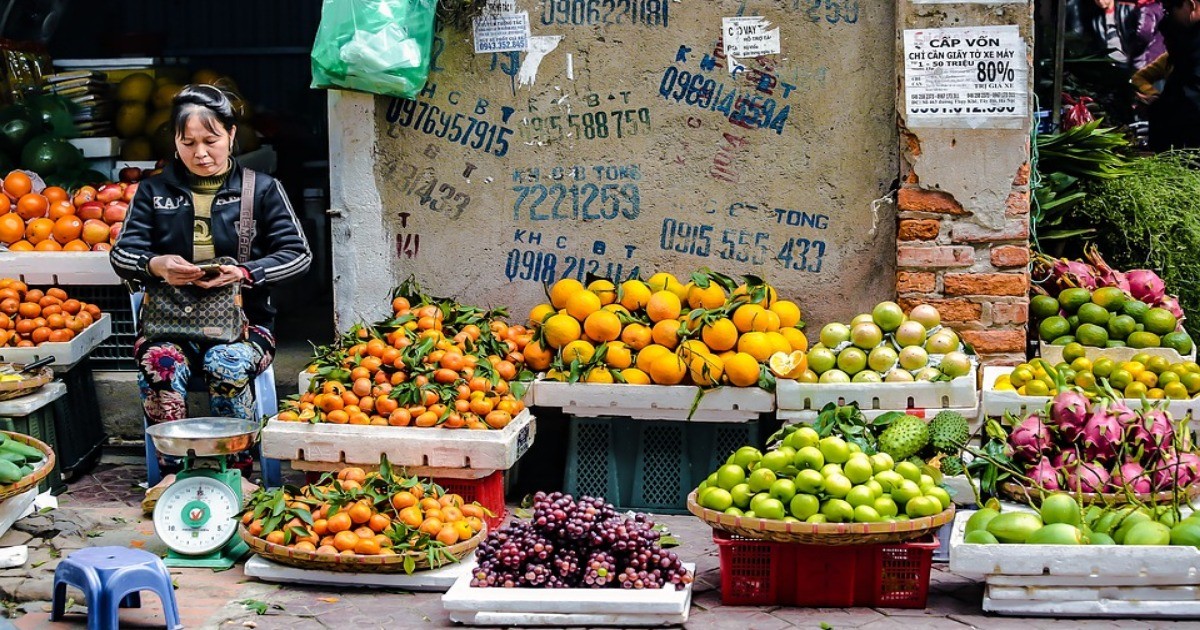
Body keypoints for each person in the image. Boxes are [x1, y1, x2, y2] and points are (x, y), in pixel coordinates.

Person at [110, 84, 312, 472]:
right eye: (188, 143)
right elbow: (121, 254)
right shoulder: (153, 191)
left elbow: (298, 256)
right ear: (174, 141)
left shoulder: (263, 190)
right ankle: (174, 475)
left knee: (226, 362)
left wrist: (244, 272)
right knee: (160, 361)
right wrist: (157, 265)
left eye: (211, 140)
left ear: (232, 135)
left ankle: (235, 471)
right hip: (169, 327)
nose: (200, 153)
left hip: (245, 326)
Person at [1148, 0, 1200, 149]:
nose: (1167, 17)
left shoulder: (1192, 44)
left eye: (1169, 10)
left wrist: (1160, 108)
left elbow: (1192, 95)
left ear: (1191, 6)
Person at [1085, 0, 1140, 65]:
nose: (1100, 1)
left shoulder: (1129, 9)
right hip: (1112, 63)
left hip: (1132, 62)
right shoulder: (1096, 19)